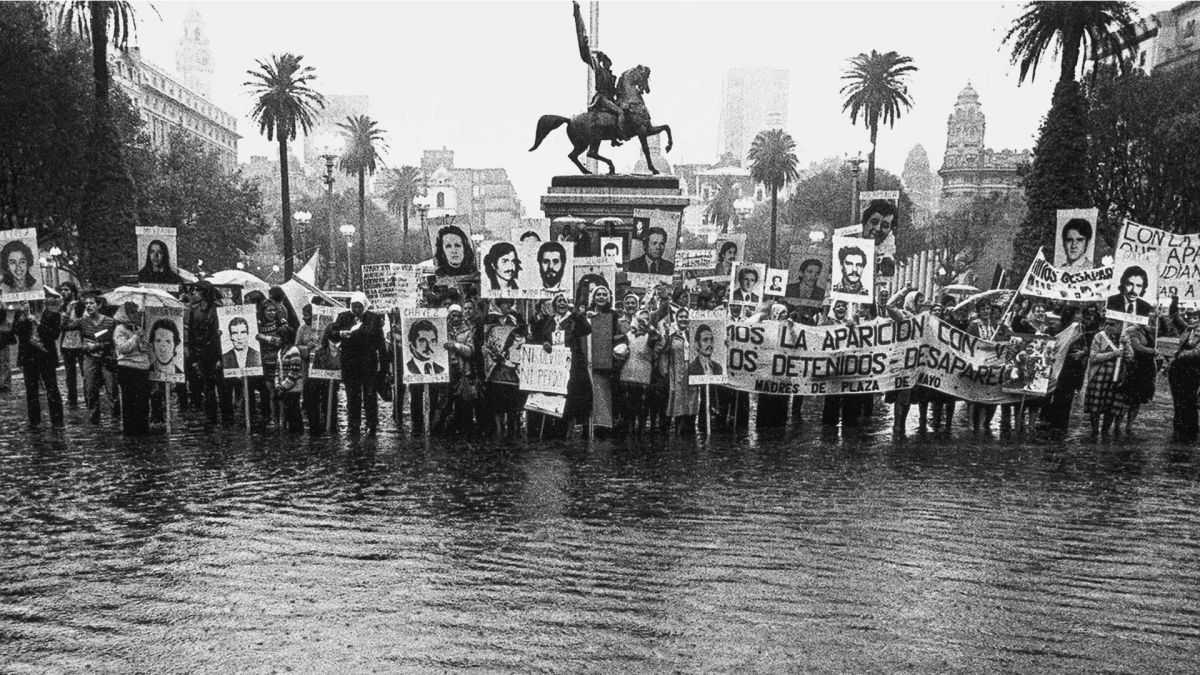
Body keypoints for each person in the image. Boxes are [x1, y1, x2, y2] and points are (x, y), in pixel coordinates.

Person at [329, 297, 388, 435]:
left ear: (365, 306)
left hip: (368, 363)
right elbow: (332, 334)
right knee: (352, 395)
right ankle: (353, 424)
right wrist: (340, 334)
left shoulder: (373, 318)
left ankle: (371, 424)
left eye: (359, 307)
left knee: (370, 395)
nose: (356, 310)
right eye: (354, 307)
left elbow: (380, 341)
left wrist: (384, 366)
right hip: (350, 363)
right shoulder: (343, 317)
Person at [9, 299, 64, 429]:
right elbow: (16, 332)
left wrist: (37, 322)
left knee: (52, 388)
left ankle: (57, 421)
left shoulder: (52, 313)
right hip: (28, 357)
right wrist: (23, 319)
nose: (26, 304)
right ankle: (34, 421)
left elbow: (54, 335)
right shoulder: (20, 313)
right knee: (31, 390)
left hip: (46, 356)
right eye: (24, 302)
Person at [1084, 318, 1131, 437]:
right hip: (1099, 375)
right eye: (1108, 324)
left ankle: (1105, 430)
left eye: (1113, 324)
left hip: (1117, 377)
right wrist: (1113, 354)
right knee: (1096, 405)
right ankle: (1094, 431)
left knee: (1111, 406)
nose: (1109, 327)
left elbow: (1130, 358)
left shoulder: (1123, 339)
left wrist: (1126, 346)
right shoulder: (1099, 336)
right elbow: (1093, 357)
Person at [79, 292, 117, 424]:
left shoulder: (110, 322)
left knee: (112, 390)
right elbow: (66, 328)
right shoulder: (83, 321)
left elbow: (114, 341)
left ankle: (115, 419)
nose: (88, 306)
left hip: (106, 358)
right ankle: (94, 419)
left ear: (99, 305)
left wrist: (99, 345)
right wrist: (68, 311)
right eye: (86, 304)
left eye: (91, 303)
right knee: (90, 389)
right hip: (90, 359)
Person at [113, 302, 151, 435]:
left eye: (137, 312)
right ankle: (130, 429)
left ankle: (142, 428)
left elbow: (145, 348)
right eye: (132, 313)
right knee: (129, 400)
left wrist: (142, 339)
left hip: (142, 367)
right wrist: (135, 337)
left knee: (142, 400)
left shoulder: (138, 327)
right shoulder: (120, 329)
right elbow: (123, 348)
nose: (136, 315)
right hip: (128, 367)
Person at [484, 326, 528, 438]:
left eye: (521, 337)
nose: (520, 340)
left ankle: (513, 433)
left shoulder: (524, 350)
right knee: (498, 408)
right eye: (517, 337)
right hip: (500, 380)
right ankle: (499, 431)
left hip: (514, 382)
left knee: (513, 410)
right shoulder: (504, 352)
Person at [1121, 317, 1157, 434]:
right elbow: (1137, 347)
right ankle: (1118, 424)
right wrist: (1152, 351)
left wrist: (1158, 318)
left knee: (1138, 400)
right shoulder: (1132, 330)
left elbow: (1160, 330)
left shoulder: (1146, 330)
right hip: (1135, 367)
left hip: (1145, 369)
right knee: (1128, 398)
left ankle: (1129, 426)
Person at [58, 282, 84, 406]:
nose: (63, 292)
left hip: (80, 342)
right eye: (62, 290)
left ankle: (88, 396)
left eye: (66, 290)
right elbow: (61, 325)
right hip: (67, 343)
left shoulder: (81, 305)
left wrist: (71, 323)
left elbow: (83, 322)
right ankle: (72, 398)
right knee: (70, 374)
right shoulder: (62, 306)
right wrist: (67, 312)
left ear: (72, 292)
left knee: (85, 372)